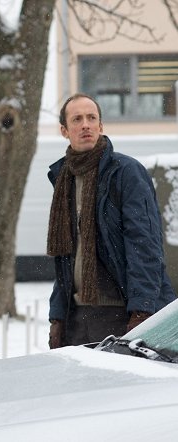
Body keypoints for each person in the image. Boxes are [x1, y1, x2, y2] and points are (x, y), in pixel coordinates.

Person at [46, 93, 176, 348]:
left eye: (91, 118)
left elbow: (144, 244)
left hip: (120, 312)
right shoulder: (63, 179)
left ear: (101, 126)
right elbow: (64, 257)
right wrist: (57, 317)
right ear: (64, 130)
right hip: (77, 317)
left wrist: (142, 311)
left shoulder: (126, 172)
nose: (85, 124)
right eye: (77, 119)